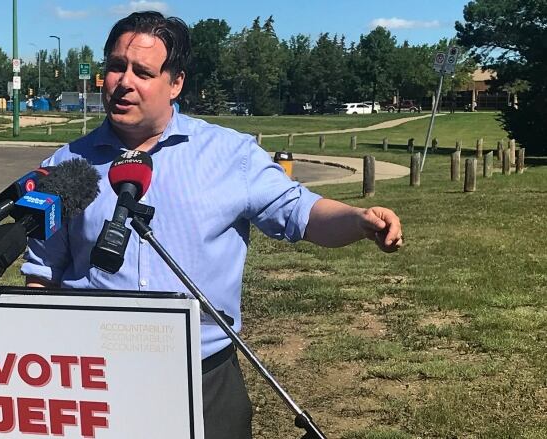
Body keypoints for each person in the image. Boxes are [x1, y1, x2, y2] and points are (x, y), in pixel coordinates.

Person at [21, 11, 403, 438]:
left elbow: (302, 213)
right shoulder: (65, 165)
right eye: (115, 66)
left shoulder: (229, 155)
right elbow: (42, 273)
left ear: (176, 82)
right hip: (95, 379)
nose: (123, 82)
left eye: (143, 72)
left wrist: (358, 220)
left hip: (204, 376)